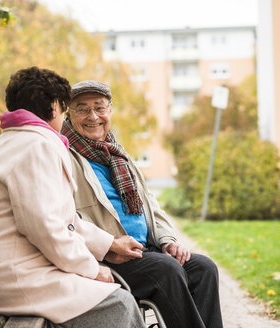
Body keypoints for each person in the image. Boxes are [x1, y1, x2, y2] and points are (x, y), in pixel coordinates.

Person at [0, 67, 146, 328]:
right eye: (64, 109)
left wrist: (109, 245)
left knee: (115, 299)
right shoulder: (37, 145)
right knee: (119, 304)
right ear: (53, 106)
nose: (64, 117)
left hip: (6, 275)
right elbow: (45, 227)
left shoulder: (13, 140)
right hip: (14, 280)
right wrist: (93, 269)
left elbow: (62, 218)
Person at [61, 80, 223, 328]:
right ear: (69, 115)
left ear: (110, 111)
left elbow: (151, 205)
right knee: (167, 270)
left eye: (99, 107)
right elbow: (66, 219)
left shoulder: (118, 154)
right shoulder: (65, 157)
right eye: (82, 109)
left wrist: (167, 240)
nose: (92, 116)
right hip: (110, 258)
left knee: (204, 268)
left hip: (145, 250)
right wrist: (109, 247)